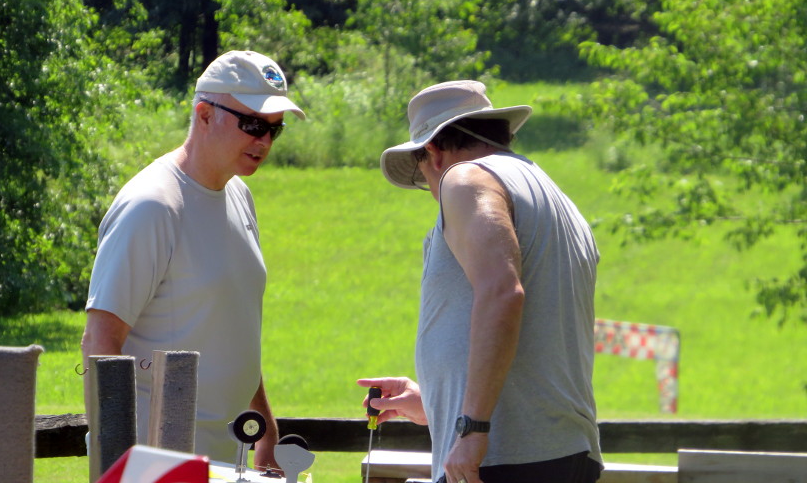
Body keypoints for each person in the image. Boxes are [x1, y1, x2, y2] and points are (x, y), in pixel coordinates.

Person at [358, 80, 602, 483]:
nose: (431, 192)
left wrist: (472, 429)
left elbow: (503, 293)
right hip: (562, 451)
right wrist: (437, 402)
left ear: (433, 154)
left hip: (501, 459)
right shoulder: (554, 196)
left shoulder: (465, 178)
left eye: (421, 177)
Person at [81, 50, 305, 469]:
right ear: (204, 115)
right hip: (157, 464)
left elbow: (228, 328)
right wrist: (124, 465)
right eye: (253, 124)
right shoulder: (153, 205)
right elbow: (99, 343)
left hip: (226, 459)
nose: (263, 141)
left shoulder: (239, 194)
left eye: (275, 130)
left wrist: (265, 425)